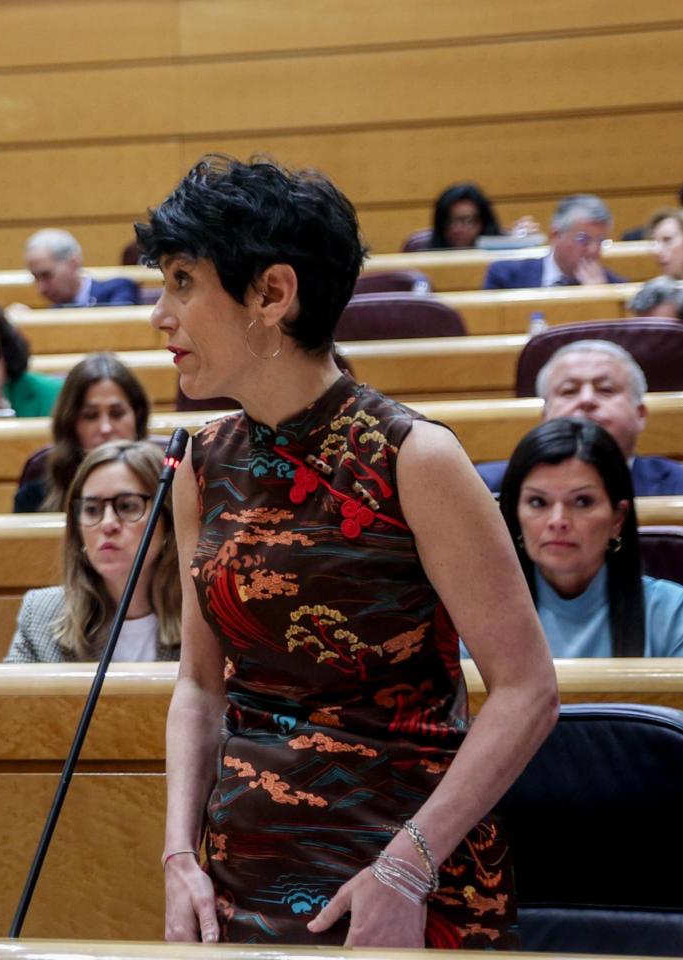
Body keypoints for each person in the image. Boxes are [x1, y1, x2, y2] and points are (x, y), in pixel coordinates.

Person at [143, 155, 557, 947]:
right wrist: (177, 857)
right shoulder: (201, 464)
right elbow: (200, 686)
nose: (161, 314)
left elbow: (528, 691)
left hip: (402, 887)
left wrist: (406, 869)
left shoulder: (416, 458)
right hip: (238, 883)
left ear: (272, 294)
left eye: (183, 282)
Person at [498, 418, 683, 658]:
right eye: (538, 502)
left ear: (617, 519)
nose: (558, 521)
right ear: (515, 515)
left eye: (582, 501)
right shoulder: (478, 618)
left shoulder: (673, 614)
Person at [5, 441, 181, 663]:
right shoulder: (41, 616)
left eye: (128, 506)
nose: (108, 524)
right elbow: (13, 699)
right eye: (92, 509)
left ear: (168, 522)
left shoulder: (208, 621)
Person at [476, 340, 683, 496]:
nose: (587, 400)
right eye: (569, 391)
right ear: (545, 418)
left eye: (606, 389)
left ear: (640, 414)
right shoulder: (487, 488)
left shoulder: (679, 485)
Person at [14, 353, 149, 513]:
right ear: (70, 423)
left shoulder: (166, 480)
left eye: (117, 414)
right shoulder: (36, 493)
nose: (105, 428)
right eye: (90, 416)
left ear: (138, 416)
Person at [482, 194, 627, 289]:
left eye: (600, 241)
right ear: (555, 235)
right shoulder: (506, 277)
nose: (594, 250)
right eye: (583, 239)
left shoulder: (614, 287)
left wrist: (601, 301)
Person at [25, 229, 139, 307]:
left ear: (73, 263)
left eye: (46, 275)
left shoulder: (119, 289)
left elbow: (115, 329)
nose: (41, 289)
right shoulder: (56, 310)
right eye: (36, 278)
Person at [426, 183, 503, 249]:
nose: (456, 229)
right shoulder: (420, 245)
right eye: (448, 221)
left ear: (483, 222)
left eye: (466, 221)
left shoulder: (506, 246)